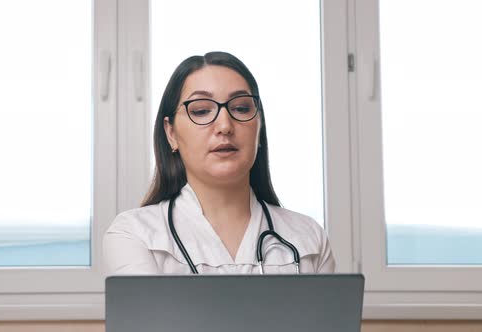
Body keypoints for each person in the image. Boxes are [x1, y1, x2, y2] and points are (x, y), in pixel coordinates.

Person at [103, 51, 335, 274]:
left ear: (259, 126)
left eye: (241, 108)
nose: (225, 125)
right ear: (171, 133)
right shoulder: (135, 234)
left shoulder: (309, 239)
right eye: (202, 110)